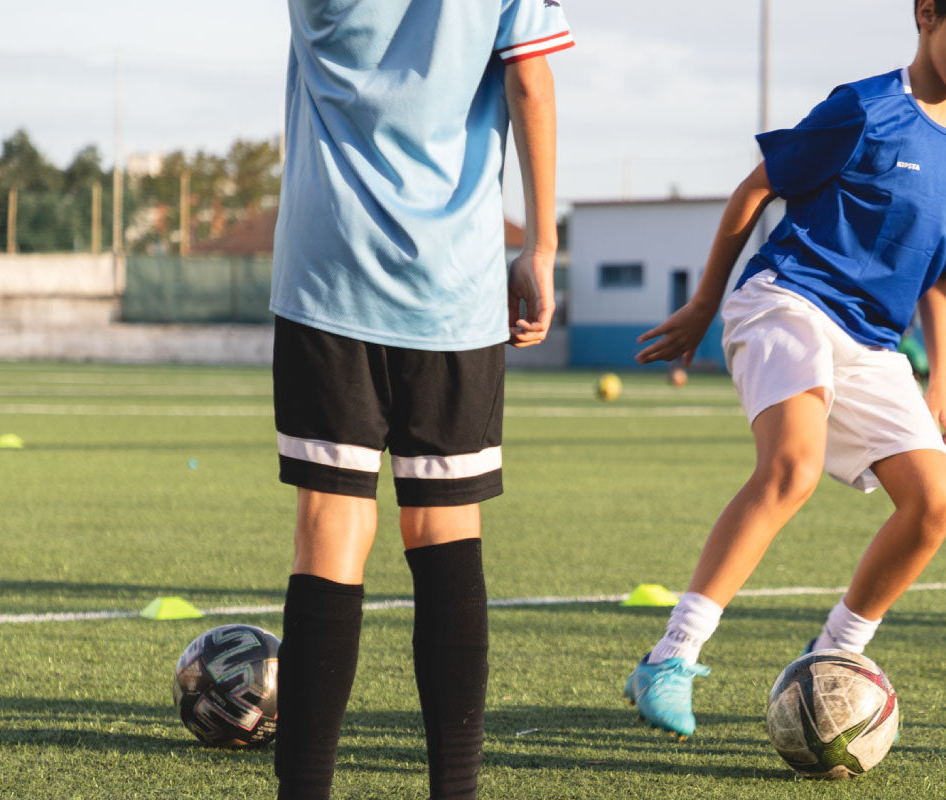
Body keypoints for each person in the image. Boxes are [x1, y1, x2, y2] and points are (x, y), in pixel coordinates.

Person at [621, 0, 946, 741]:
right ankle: (671, 657)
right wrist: (702, 304)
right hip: (788, 299)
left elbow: (942, 276)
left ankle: (835, 657)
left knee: (936, 502)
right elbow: (755, 191)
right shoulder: (864, 108)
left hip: (875, 341)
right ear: (926, 15)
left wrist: (942, 387)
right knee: (793, 469)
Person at [267, 2, 572, 798]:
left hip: (325, 270)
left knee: (330, 525)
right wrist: (540, 247)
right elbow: (530, 83)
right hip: (453, 282)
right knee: (444, 527)